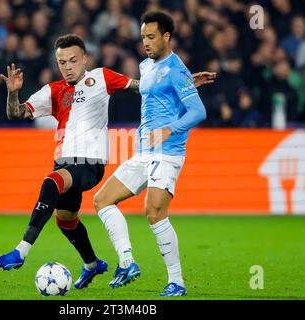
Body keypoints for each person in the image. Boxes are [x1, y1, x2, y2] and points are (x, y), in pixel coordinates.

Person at [0, 34, 215, 290]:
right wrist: (13, 94)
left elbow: (143, 87)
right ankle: (92, 264)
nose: (67, 66)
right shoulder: (53, 91)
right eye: (62, 61)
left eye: (73, 60)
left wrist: (184, 85)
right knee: (65, 220)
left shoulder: (101, 77)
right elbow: (17, 113)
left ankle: (21, 251)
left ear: (84, 58)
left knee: (50, 182)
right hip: (64, 163)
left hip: (89, 164)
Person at [93, 11, 208, 297]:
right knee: (102, 200)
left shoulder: (176, 68)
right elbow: (161, 91)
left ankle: (177, 281)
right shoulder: (147, 66)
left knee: (154, 211)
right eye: (143, 36)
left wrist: (171, 127)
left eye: (151, 36)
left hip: (167, 151)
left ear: (166, 36)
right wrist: (188, 83)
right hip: (143, 151)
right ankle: (128, 263)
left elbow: (198, 111)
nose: (145, 41)